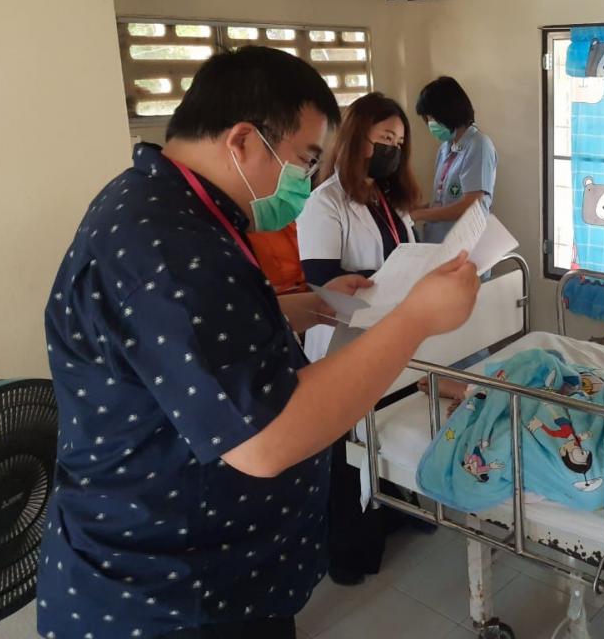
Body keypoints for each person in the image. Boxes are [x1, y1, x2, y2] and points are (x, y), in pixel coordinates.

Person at [37, 47, 479, 639]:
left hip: (202, 569)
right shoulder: (171, 246)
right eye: (304, 159)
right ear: (243, 140)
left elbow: (194, 337)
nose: (304, 179)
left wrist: (304, 306)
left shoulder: (166, 205)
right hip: (171, 594)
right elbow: (264, 440)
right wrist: (415, 319)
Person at [295, 92, 424, 586]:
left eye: (399, 141)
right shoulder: (325, 203)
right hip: (342, 341)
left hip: (388, 333)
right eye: (385, 138)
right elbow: (321, 281)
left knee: (384, 427)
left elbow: (405, 254)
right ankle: (348, 550)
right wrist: (389, 281)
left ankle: (393, 512)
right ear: (357, 139)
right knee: (346, 447)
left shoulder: (388, 198)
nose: (394, 149)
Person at [411, 76, 497, 243]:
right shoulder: (445, 149)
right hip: (439, 242)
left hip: (466, 246)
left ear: (447, 112)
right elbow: (444, 203)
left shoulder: (479, 145)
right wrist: (416, 209)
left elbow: (470, 206)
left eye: (431, 118)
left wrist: (419, 214)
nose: (429, 124)